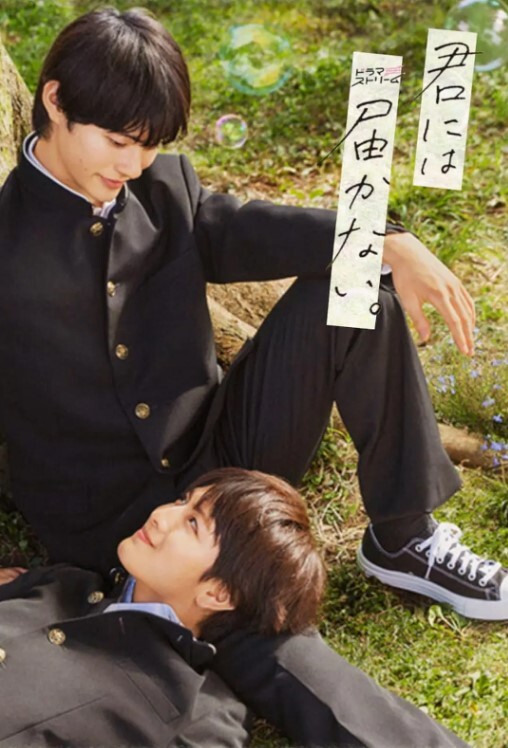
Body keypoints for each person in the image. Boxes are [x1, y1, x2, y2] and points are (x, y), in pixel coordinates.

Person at [0, 4, 504, 744]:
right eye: (117, 142)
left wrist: (382, 238)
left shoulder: (163, 188)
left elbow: (245, 228)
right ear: (53, 101)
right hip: (117, 537)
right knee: (264, 642)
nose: (131, 166)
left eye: (148, 146)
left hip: (227, 465)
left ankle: (404, 538)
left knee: (355, 290)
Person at [0, 466, 468, 748]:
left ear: (219, 594)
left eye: (193, 524)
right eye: (182, 501)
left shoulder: (198, 714)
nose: (162, 516)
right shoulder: (62, 584)